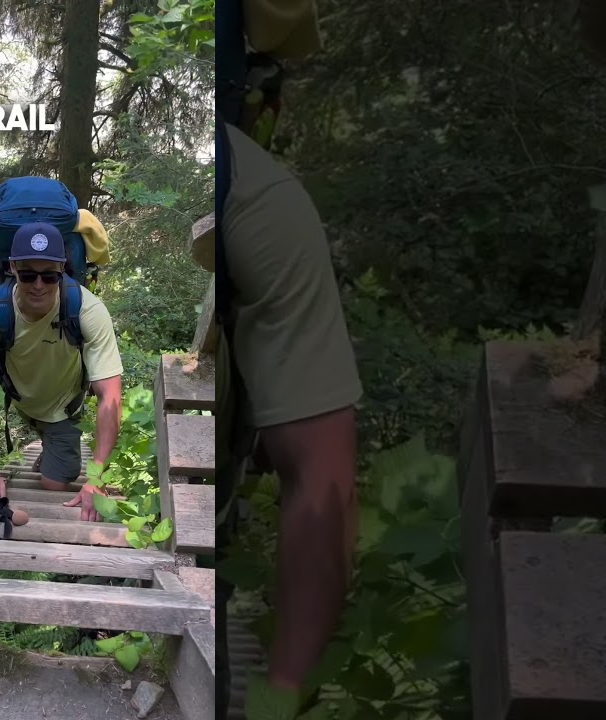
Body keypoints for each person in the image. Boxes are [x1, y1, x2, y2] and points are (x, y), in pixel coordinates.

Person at [217, 121, 363, 713]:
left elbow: (322, 478)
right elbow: (325, 479)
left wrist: (279, 694)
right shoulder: (255, 191)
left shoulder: (255, 200)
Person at [0, 222, 125, 522]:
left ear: (62, 269)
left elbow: (110, 397)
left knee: (54, 484)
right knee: (42, 440)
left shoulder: (87, 311)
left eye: (49, 275)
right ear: (13, 268)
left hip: (63, 408)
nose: (38, 285)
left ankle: (53, 447)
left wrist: (97, 477)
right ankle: (47, 442)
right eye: (28, 274)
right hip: (24, 402)